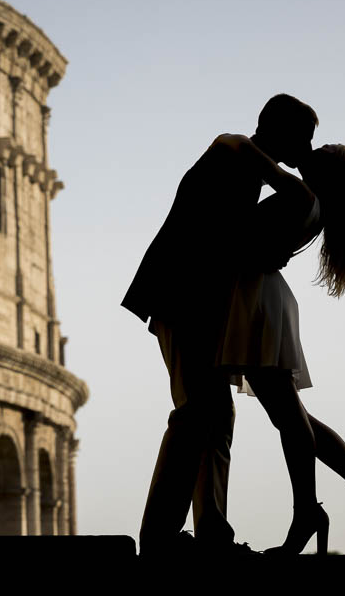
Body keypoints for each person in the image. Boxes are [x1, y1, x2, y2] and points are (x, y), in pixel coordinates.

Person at [122, 94, 320, 556]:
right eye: (303, 138)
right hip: (181, 298)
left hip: (193, 302)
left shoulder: (244, 172)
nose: (307, 148)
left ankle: (210, 532)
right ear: (279, 130)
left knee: (213, 415)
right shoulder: (233, 152)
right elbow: (262, 183)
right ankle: (160, 537)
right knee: (196, 414)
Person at [213, 135, 345, 555]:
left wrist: (241, 147)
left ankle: (309, 509)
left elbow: (253, 180)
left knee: (290, 419)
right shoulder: (313, 206)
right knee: (293, 416)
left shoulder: (303, 198)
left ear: (329, 174)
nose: (311, 153)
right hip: (262, 299)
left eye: (321, 154)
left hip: (257, 302)